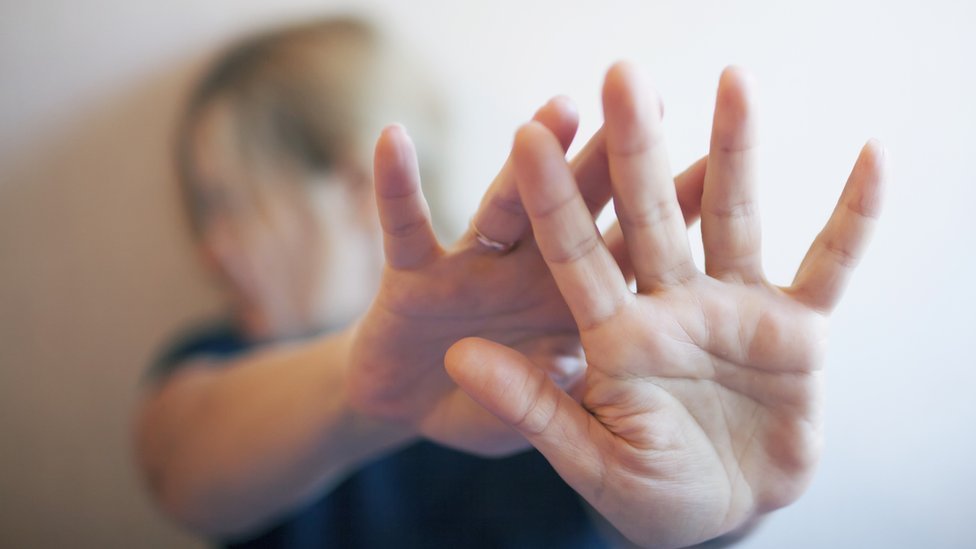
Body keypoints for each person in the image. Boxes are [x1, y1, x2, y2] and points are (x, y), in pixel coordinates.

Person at [135, 17, 885, 549]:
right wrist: (366, 391)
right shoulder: (222, 359)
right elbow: (173, 464)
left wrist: (723, 504)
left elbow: (641, 514)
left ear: (351, 186)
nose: (209, 251)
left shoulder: (569, 362)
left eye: (227, 203)